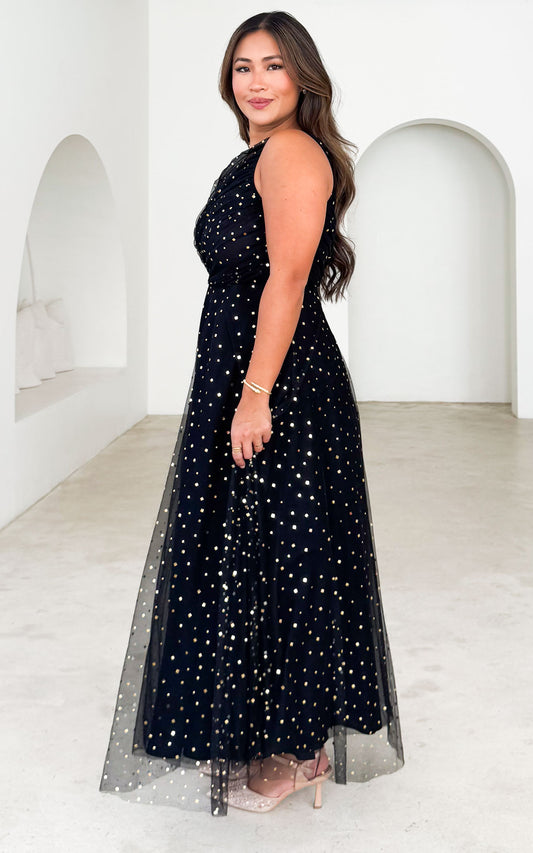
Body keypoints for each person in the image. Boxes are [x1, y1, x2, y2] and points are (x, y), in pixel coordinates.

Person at [100, 10, 404, 817]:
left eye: (273, 65)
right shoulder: (259, 155)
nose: (257, 81)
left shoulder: (293, 152)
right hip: (248, 376)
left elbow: (288, 277)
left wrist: (255, 394)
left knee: (290, 556)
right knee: (258, 553)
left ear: (303, 77)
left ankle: (300, 751)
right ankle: (275, 733)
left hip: (281, 385)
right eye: (243, 67)